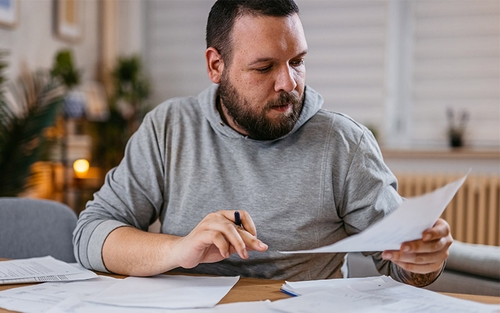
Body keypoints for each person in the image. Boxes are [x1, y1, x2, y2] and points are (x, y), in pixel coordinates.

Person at [73, 0, 452, 286]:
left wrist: (425, 259)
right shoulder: (169, 127)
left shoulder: (343, 144)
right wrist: (177, 249)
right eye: (264, 67)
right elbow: (90, 235)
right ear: (215, 66)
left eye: (297, 61)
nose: (289, 83)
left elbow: (401, 267)